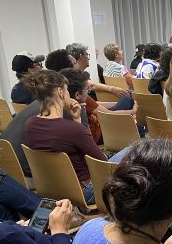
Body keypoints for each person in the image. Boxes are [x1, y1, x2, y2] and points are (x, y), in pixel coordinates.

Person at [23, 70, 108, 204]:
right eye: (67, 90)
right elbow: (103, 163)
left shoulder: (30, 124)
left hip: (54, 189)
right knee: (129, 153)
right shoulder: (72, 129)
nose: (68, 94)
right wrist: (79, 125)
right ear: (60, 92)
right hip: (85, 190)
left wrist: (77, 120)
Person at [61, 68, 139, 144]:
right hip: (98, 134)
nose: (88, 93)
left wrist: (117, 104)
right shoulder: (79, 109)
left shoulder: (60, 104)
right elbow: (108, 115)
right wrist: (132, 111)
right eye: (87, 90)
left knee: (126, 102)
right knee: (128, 103)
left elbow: (96, 105)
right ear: (77, 94)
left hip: (97, 126)